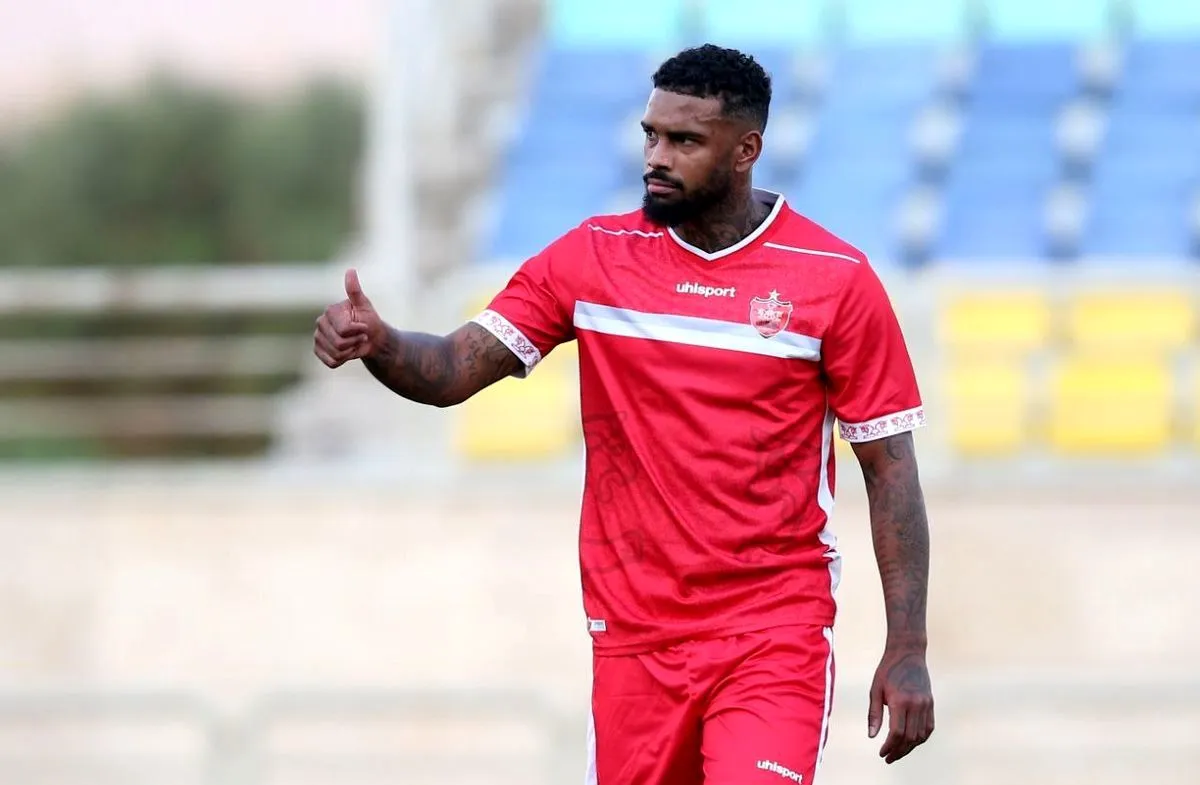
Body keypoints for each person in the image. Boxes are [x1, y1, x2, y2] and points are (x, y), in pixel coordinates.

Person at [314, 43, 934, 785]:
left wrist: (908, 646)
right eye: (651, 135)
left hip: (773, 632)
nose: (657, 158)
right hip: (633, 637)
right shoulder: (593, 259)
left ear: (746, 151)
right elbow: (451, 369)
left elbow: (889, 469)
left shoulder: (835, 280)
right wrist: (380, 343)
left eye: (685, 141)